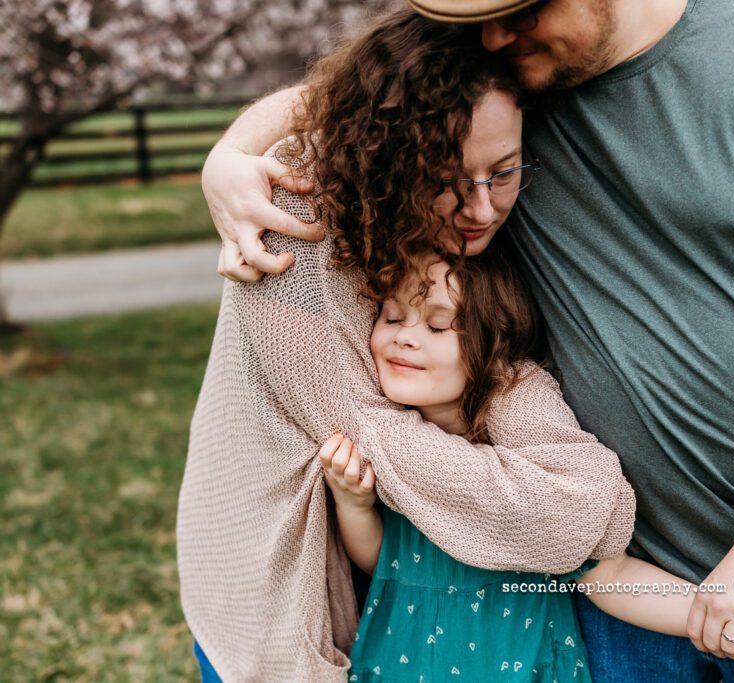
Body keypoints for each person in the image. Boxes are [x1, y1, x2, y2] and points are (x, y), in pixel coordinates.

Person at [201, 0, 734, 679]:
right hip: (620, 588)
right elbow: (361, 92)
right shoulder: (511, 78)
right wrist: (229, 155)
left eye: (521, 10)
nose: (493, 35)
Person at [178, 12, 638, 681]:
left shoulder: (463, 223)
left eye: (503, 172)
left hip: (414, 601)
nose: (481, 209)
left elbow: (504, 378)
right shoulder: (295, 215)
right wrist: (229, 154)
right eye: (450, 177)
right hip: (279, 583)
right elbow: (372, 438)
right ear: (386, 151)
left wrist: (570, 487)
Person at [320, 249, 734, 681]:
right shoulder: (397, 450)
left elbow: (609, 579)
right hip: (403, 665)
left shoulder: (531, 467)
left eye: (437, 324)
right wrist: (354, 505)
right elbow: (389, 562)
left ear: (492, 345)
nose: (405, 338)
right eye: (390, 316)